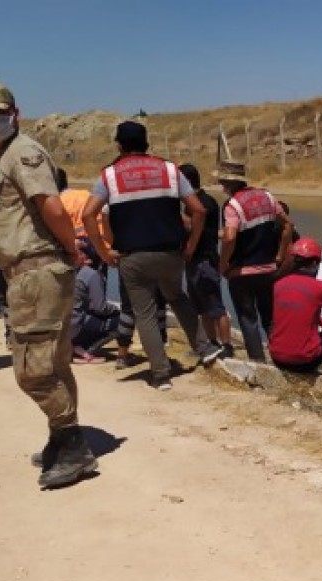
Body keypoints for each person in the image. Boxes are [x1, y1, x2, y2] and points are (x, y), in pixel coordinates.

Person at [0, 80, 96, 489]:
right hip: (29, 272)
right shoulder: (3, 155)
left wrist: (72, 248)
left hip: (36, 271)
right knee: (53, 364)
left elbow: (52, 206)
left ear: (15, 113)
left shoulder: (23, 152)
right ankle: (62, 438)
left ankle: (74, 446)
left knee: (33, 371)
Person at [82, 121, 223, 391]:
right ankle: (205, 348)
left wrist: (103, 251)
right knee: (177, 297)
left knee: (144, 313)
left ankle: (160, 374)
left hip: (133, 257)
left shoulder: (109, 175)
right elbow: (199, 210)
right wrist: (191, 245)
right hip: (171, 253)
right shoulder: (169, 169)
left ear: (119, 146)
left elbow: (89, 214)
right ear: (146, 143)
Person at [215, 159, 291, 361]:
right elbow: (287, 225)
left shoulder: (232, 205)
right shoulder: (267, 196)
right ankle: (280, 359)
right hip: (269, 270)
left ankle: (258, 362)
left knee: (248, 320)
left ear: (226, 183)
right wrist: (280, 255)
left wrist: (223, 264)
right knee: (270, 319)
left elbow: (230, 237)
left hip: (242, 273)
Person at [268, 238, 322, 373]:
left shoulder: (279, 284)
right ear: (314, 263)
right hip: (303, 362)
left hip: (276, 357)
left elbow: (294, 309)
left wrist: (319, 320)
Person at [179, 163, 232, 356]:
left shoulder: (204, 202)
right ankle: (212, 342)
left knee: (215, 306)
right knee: (201, 307)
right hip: (194, 260)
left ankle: (227, 346)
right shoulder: (194, 202)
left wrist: (173, 213)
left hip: (204, 260)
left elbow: (193, 226)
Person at [70, 252, 120, 363]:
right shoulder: (91, 274)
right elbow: (100, 307)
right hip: (75, 325)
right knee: (121, 320)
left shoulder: (70, 272)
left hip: (62, 327)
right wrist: (117, 309)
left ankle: (73, 345)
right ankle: (85, 351)